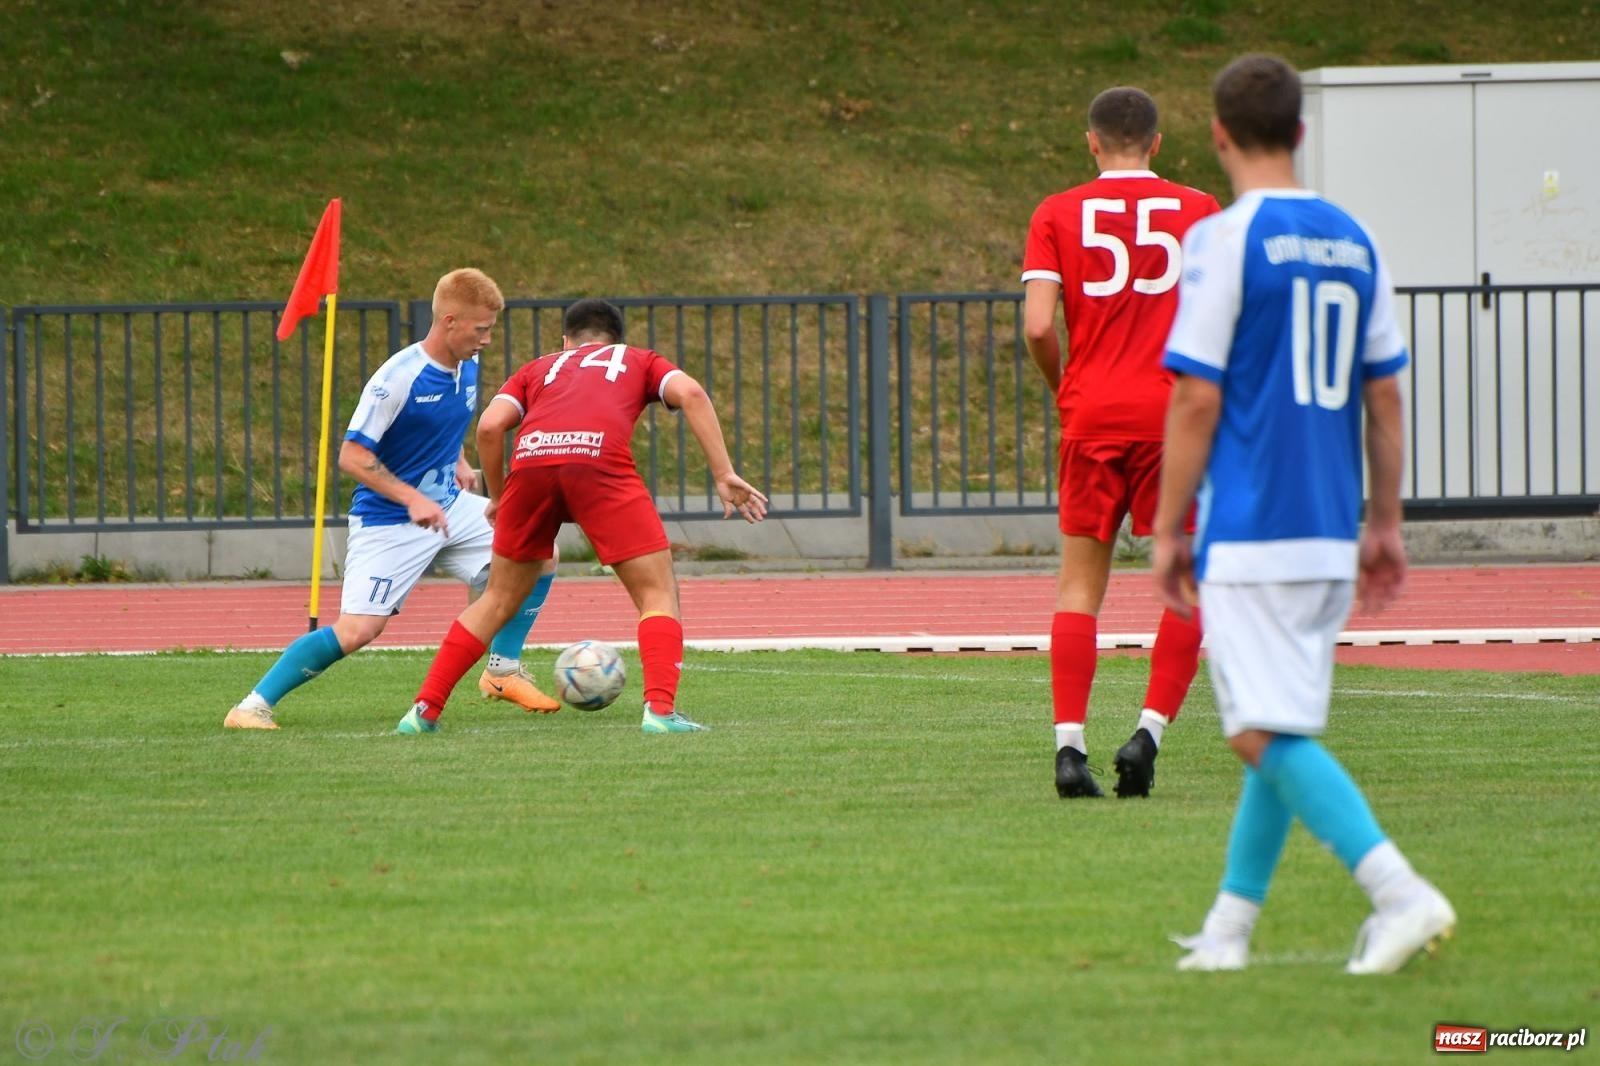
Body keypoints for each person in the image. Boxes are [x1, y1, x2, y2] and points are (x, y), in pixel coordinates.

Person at [1153, 53, 1455, 974]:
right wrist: (1385, 522)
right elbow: (1385, 395)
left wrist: (1166, 527)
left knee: (1255, 732)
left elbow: (1196, 397)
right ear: (1300, 131)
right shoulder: (1355, 238)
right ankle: (1228, 931)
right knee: (1277, 728)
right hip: (1328, 525)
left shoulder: (1224, 239)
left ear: (1217, 134)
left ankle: (1401, 893)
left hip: (1253, 524)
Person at [394, 297, 767, 736]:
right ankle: (660, 712)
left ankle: (423, 710)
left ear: (566, 341)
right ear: (616, 340)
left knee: (496, 599)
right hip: (598, 463)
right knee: (657, 593)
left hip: (531, 465)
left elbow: (490, 427)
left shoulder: (538, 368)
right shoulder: (637, 359)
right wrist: (723, 473)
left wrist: (498, 495)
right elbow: (692, 394)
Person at [224, 268, 562, 729]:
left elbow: (440, 422)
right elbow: (352, 455)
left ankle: (502, 671)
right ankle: (251, 706)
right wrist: (411, 499)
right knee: (359, 629)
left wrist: (458, 459)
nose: (487, 339)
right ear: (449, 321)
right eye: (481, 329)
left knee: (539, 551)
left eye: (490, 329)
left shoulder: (467, 363)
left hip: (449, 507)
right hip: (389, 520)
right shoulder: (398, 378)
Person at [1021, 86, 1221, 799]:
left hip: (1093, 414)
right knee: (1188, 583)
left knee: (1079, 587)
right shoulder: (1200, 209)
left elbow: (1038, 326)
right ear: (1158, 143)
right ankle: (1147, 734)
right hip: (1174, 417)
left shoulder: (1056, 212)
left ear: (1092, 141)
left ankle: (1068, 748)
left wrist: (1065, 387)